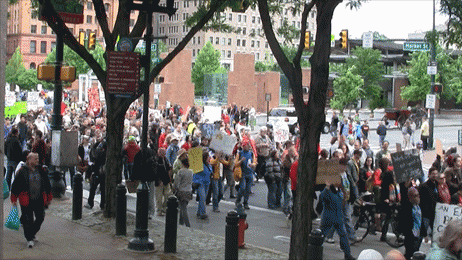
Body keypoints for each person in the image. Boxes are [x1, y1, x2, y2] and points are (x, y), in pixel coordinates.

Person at [10, 152, 53, 248]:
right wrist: (13, 198)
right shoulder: (22, 171)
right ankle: (29, 238)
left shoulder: (41, 170)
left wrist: (49, 196)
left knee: (40, 217)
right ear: (29, 160)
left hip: (38, 199)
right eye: (35, 159)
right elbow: (15, 185)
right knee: (27, 220)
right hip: (26, 199)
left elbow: (46, 183)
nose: (37, 160)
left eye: (38, 158)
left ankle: (32, 233)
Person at [317, 178, 356, 260]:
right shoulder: (329, 191)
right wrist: (327, 187)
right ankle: (315, 251)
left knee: (343, 236)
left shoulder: (339, 191)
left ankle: (348, 255)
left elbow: (342, 204)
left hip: (337, 218)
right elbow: (322, 197)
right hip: (329, 218)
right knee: (321, 236)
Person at [400, 187, 427, 260]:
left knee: (415, 252)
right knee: (409, 253)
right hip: (410, 234)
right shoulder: (406, 207)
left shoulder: (418, 206)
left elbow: (421, 220)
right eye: (415, 195)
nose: (417, 197)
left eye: (418, 195)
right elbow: (405, 222)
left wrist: (424, 234)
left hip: (418, 234)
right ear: (410, 197)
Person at [235, 139, 256, 210]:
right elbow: (235, 164)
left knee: (248, 189)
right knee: (242, 188)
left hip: (250, 173)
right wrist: (241, 161)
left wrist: (253, 165)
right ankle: (238, 200)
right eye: (243, 145)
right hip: (243, 173)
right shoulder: (239, 153)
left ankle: (245, 202)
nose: (245, 147)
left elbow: (255, 162)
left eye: (246, 145)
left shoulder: (251, 153)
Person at [419, 167, 439, 239]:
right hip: (426, 214)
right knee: (421, 234)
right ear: (429, 175)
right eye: (433, 174)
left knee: (435, 235)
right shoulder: (423, 186)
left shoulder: (437, 185)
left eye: (436, 174)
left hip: (434, 214)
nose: (435, 175)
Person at [173, 156, 193, 227]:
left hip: (181, 191)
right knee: (183, 206)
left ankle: (187, 224)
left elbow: (176, 182)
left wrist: (174, 190)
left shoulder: (181, 171)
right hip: (188, 191)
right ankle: (181, 222)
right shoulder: (191, 172)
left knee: (183, 208)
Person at [193, 149, 213, 219]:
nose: (209, 158)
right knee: (202, 197)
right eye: (208, 157)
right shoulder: (200, 164)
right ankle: (203, 213)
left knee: (203, 198)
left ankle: (199, 212)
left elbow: (210, 172)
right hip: (200, 183)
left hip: (207, 183)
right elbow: (194, 173)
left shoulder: (208, 165)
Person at [154, 148, 172, 216]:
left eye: (164, 153)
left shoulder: (165, 159)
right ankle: (159, 210)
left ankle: (164, 208)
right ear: (159, 153)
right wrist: (158, 180)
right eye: (163, 153)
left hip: (166, 180)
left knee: (167, 194)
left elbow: (167, 168)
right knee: (159, 197)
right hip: (159, 181)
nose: (164, 154)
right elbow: (155, 172)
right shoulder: (156, 160)